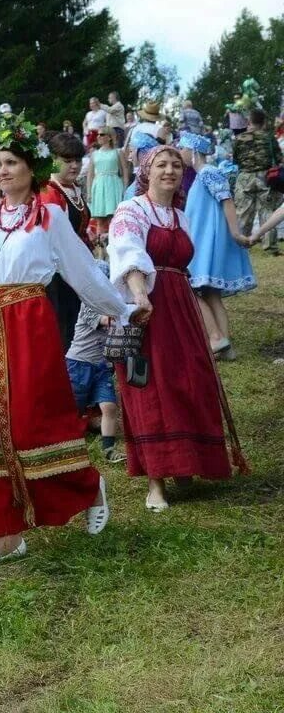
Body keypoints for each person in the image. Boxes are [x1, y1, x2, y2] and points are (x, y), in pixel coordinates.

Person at [0, 111, 130, 567]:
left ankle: (86, 486)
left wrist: (120, 311)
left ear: (30, 170)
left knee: (32, 420)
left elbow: (82, 273)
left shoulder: (50, 218)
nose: (2, 171)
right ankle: (5, 535)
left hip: (30, 324)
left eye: (12, 163)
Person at [109, 144, 249, 512]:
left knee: (192, 379)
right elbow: (128, 252)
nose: (169, 170)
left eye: (175, 164)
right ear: (146, 171)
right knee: (153, 386)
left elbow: (185, 267)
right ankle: (156, 480)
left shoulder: (180, 216)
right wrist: (140, 295)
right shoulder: (131, 210)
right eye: (161, 164)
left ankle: (187, 462)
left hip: (182, 307)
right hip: (150, 307)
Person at [183, 131, 255, 359]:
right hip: (202, 238)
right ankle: (225, 346)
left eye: (183, 149)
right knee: (211, 294)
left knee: (191, 288)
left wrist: (235, 232)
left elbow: (227, 201)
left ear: (193, 151)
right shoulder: (201, 176)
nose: (180, 153)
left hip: (207, 241)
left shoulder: (208, 173)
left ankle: (215, 338)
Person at [66, 261, 124, 463]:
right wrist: (128, 312)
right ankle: (67, 442)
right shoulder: (88, 306)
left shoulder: (111, 305)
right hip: (78, 364)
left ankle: (109, 448)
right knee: (75, 407)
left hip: (102, 367)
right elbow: (108, 321)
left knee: (109, 406)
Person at [43, 133, 92, 348]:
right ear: (53, 159)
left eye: (78, 160)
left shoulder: (72, 189)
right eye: (67, 160)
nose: (74, 166)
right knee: (64, 327)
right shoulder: (49, 192)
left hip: (76, 267)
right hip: (58, 272)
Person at [231, 109, 282, 255]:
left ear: (249, 121)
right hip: (265, 177)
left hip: (245, 176)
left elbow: (235, 160)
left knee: (243, 212)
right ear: (264, 122)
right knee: (267, 210)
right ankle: (270, 247)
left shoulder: (239, 138)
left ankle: (242, 245)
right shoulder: (269, 138)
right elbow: (278, 159)